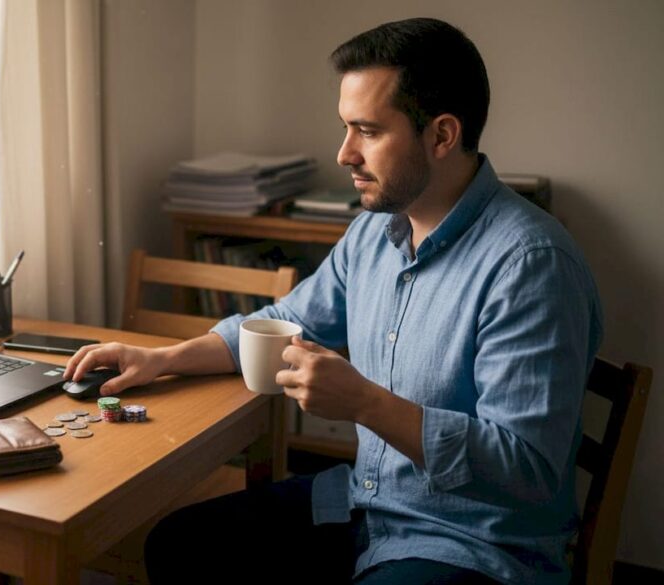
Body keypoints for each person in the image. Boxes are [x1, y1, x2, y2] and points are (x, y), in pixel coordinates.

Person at [64, 17, 601, 585]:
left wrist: (365, 403)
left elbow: (529, 468)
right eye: (346, 128)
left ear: (441, 136)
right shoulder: (376, 232)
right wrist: (163, 359)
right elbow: (285, 321)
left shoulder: (531, 265)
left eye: (367, 131)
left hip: (472, 544)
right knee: (179, 545)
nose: (344, 153)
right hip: (370, 503)